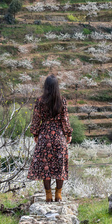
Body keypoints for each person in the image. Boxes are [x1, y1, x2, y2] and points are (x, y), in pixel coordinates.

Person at [27, 74, 73, 202]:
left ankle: (48, 195)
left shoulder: (40, 101)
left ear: (46, 86)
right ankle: (58, 195)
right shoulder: (62, 100)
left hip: (44, 137)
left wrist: (35, 134)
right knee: (60, 166)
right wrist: (68, 134)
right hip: (58, 136)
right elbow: (65, 119)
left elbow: (36, 119)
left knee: (45, 167)